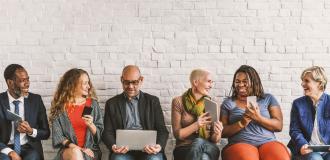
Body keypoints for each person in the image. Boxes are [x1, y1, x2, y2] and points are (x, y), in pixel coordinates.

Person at [220, 65, 290, 160]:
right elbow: (222, 132)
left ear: (254, 82)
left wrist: (258, 118)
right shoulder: (228, 103)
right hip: (240, 143)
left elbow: (279, 126)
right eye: (237, 81)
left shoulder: (268, 98)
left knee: (280, 157)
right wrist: (242, 123)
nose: (240, 85)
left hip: (268, 142)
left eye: (245, 81)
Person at [102, 65, 169, 160]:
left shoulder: (153, 101)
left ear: (141, 80)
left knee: (154, 159)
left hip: (149, 151)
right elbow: (107, 132)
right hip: (123, 152)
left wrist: (158, 146)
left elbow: (162, 131)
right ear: (121, 80)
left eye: (134, 82)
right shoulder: (112, 103)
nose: (130, 86)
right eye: (126, 82)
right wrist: (114, 146)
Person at [49, 68, 103, 160]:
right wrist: (79, 149)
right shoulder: (60, 107)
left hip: (91, 151)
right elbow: (59, 137)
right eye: (85, 83)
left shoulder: (93, 104)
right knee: (75, 153)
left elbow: (99, 136)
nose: (88, 86)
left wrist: (91, 125)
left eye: (88, 83)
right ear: (73, 85)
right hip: (69, 151)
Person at [0, 64, 50, 160]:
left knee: (33, 157)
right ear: (10, 83)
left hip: (29, 147)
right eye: (22, 80)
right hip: (5, 147)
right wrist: (10, 152)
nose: (27, 84)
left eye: (28, 79)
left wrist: (30, 131)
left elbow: (46, 133)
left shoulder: (36, 100)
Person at [171, 69, 223, 160]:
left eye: (212, 82)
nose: (211, 86)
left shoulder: (213, 104)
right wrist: (196, 125)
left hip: (209, 147)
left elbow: (215, 140)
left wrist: (218, 133)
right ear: (195, 82)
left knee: (199, 141)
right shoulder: (178, 101)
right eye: (208, 81)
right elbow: (178, 135)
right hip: (183, 148)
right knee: (203, 157)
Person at [288, 66, 330, 160]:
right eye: (302, 80)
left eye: (307, 81)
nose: (302, 84)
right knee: (315, 158)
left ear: (319, 83)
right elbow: (294, 130)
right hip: (307, 150)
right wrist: (302, 144)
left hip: (327, 150)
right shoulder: (298, 104)